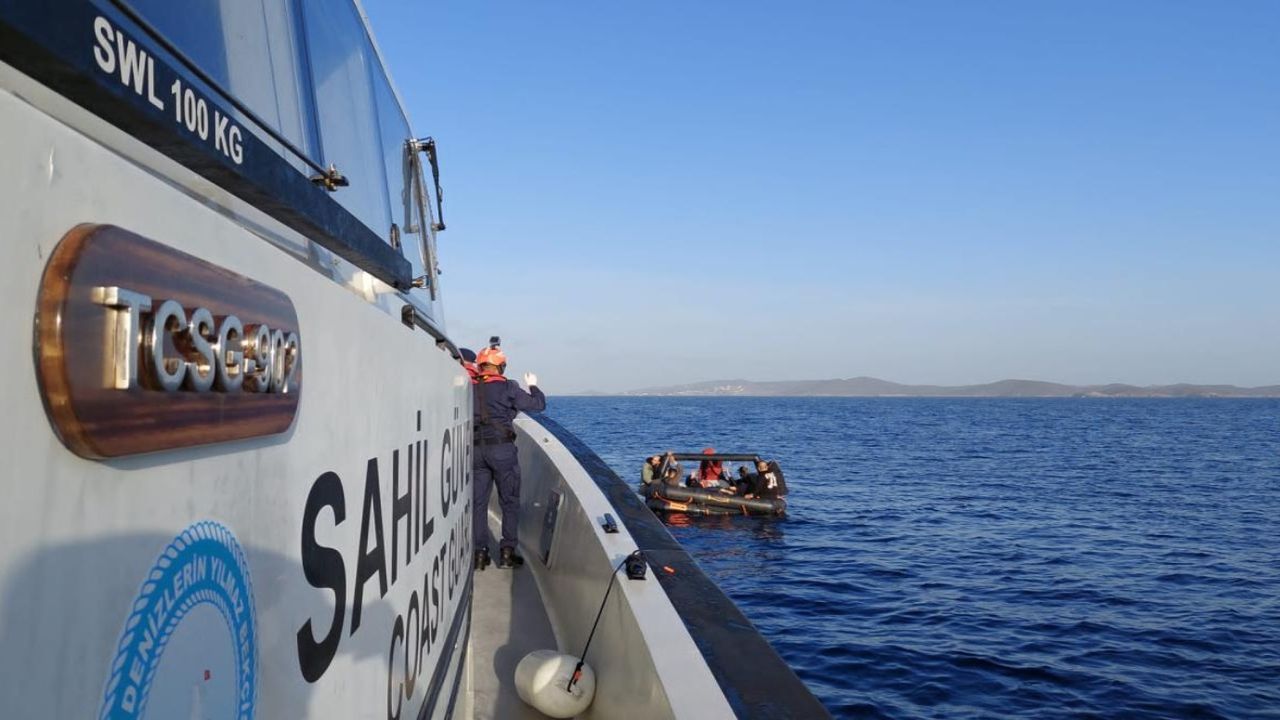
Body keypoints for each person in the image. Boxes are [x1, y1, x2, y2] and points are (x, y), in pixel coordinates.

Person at [472, 345, 545, 570]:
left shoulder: (468, 387)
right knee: (509, 502)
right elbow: (538, 405)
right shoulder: (508, 386)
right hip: (502, 451)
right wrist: (533, 385)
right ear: (500, 366)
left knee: (478, 503)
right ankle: (506, 553)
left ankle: (480, 555)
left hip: (476, 451)